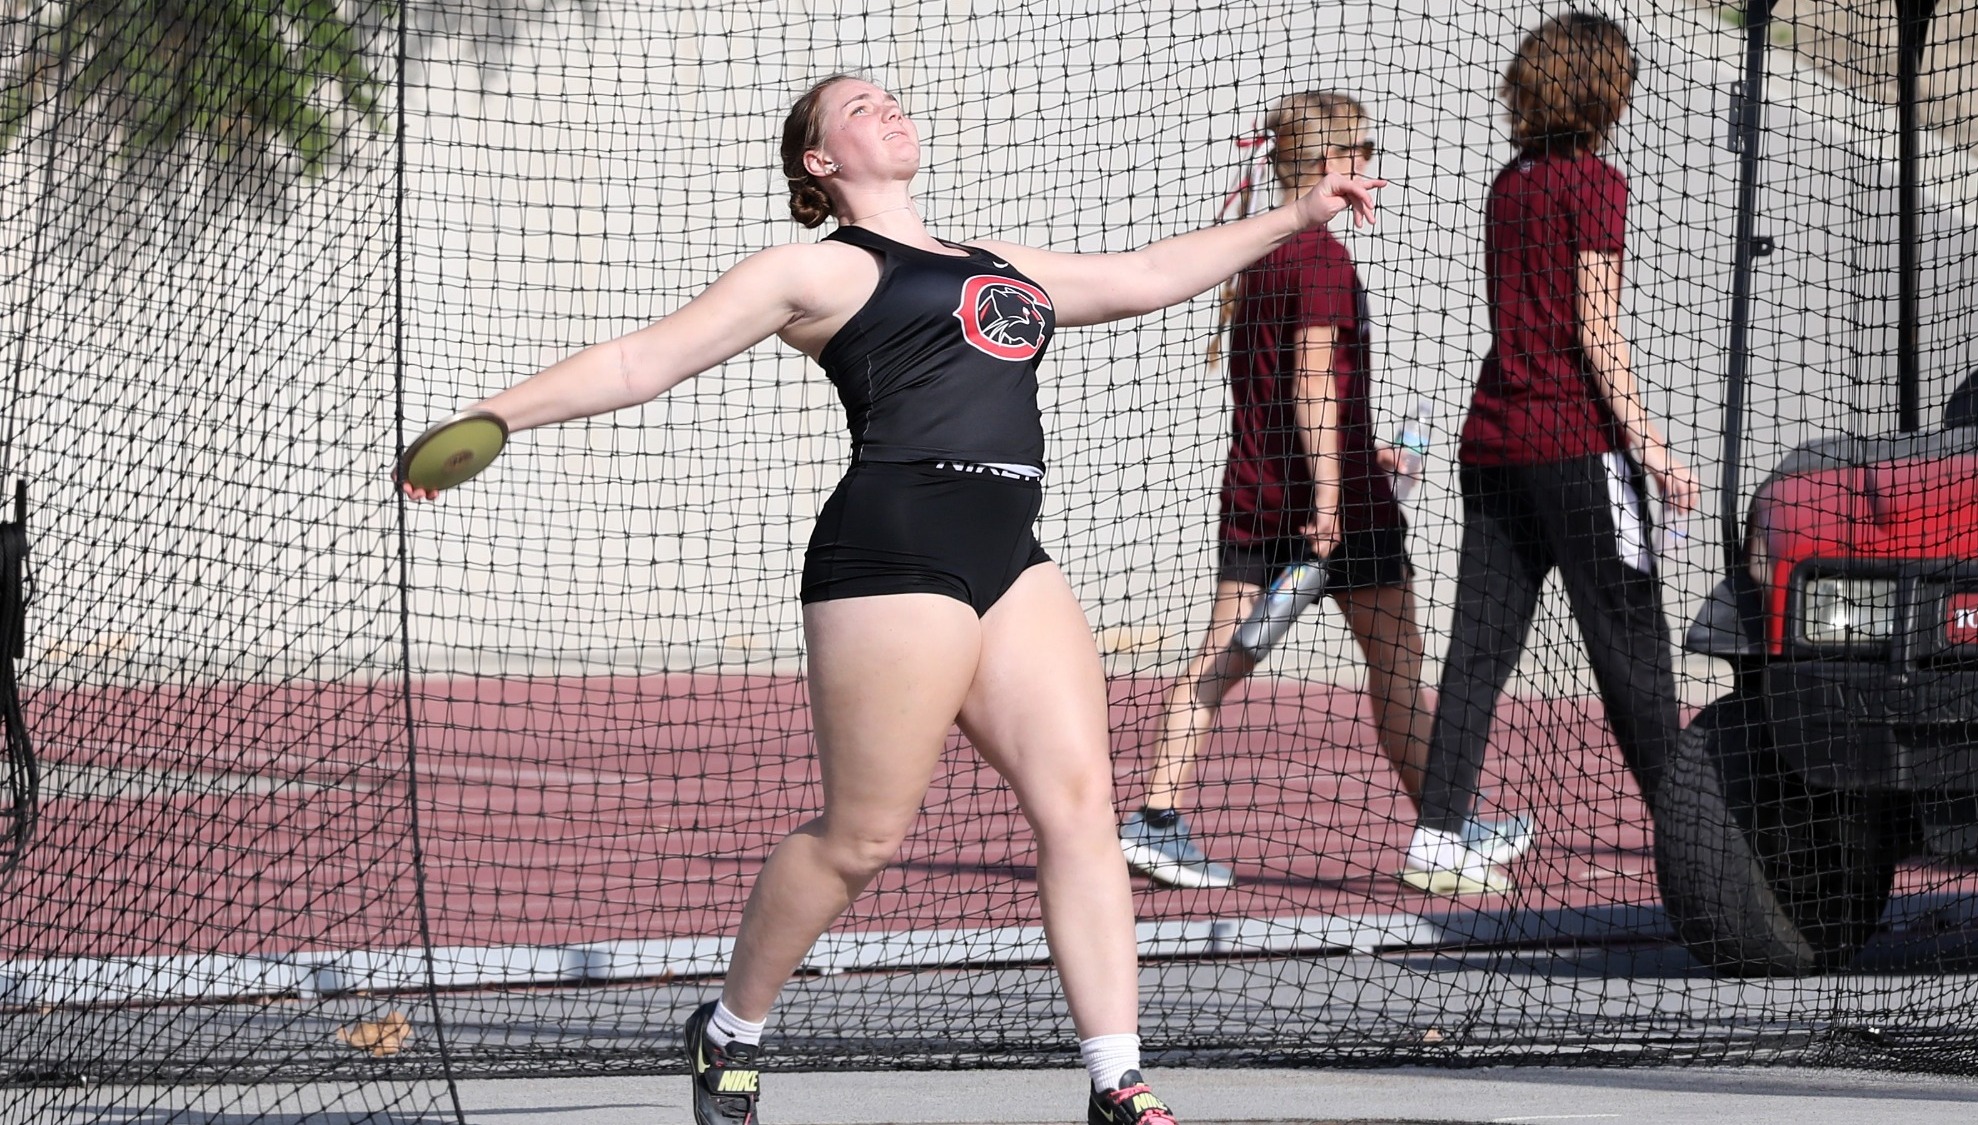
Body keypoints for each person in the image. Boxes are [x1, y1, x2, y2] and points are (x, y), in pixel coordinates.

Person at [402, 75, 1381, 1125]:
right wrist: (493, 418)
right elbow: (647, 360)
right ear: (820, 164)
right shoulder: (816, 269)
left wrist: (1293, 214)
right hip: (893, 547)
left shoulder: (996, 263)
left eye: (890, 97)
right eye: (858, 107)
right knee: (863, 838)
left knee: (1079, 808)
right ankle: (730, 1026)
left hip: (1010, 546)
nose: (888, 109)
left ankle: (1115, 1078)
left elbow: (1145, 276)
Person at [1118, 93, 1531, 891]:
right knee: (1399, 661)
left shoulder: (1264, 251)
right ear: (1325, 164)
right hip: (1330, 509)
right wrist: (1336, 498)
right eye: (1361, 152)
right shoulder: (1320, 259)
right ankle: (1447, 832)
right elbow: (1311, 385)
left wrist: (1352, 452)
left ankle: (1156, 818)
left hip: (1260, 491)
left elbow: (1292, 389)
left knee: (1222, 657)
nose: (1369, 167)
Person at [1399, 13, 1699, 896]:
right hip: (1575, 446)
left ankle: (1439, 832)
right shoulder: (1594, 183)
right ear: (1602, 89)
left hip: (1493, 443)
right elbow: (1596, 330)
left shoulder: (1511, 181)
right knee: (1632, 647)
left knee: (1478, 649)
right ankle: (1697, 834)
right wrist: (1652, 448)